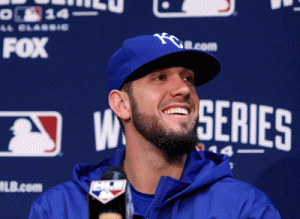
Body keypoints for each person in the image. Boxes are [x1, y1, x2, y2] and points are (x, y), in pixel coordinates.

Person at [29, 33, 281, 218]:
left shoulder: (243, 208)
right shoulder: (59, 209)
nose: (183, 89)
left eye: (188, 78)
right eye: (160, 77)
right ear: (121, 104)